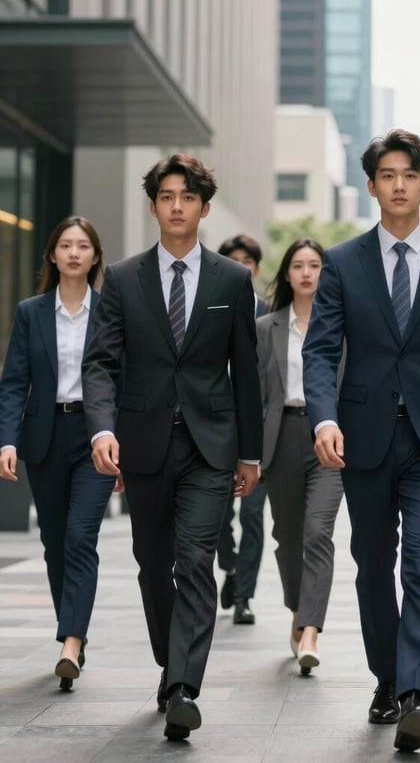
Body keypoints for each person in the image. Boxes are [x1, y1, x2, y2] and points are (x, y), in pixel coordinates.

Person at [302, 129, 420, 753]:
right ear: (373, 184)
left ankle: (415, 694)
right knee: (372, 566)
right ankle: (387, 674)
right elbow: (321, 350)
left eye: (410, 174)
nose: (400, 184)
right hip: (363, 438)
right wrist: (323, 418)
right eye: (388, 174)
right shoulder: (342, 261)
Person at [81, 154, 263, 742]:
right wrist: (103, 429)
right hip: (143, 442)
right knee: (152, 565)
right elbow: (102, 362)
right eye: (166, 196)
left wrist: (250, 454)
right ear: (154, 205)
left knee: (195, 560)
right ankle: (171, 657)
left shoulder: (232, 281)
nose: (177, 205)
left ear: (204, 208)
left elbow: (246, 372)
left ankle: (185, 686)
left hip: (211, 446)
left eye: (188, 196)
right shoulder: (125, 278)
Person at [0, 216, 117, 692]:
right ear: (52, 255)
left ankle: (71, 640)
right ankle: (73, 628)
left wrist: (119, 443)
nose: (73, 253)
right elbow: (13, 383)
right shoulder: (31, 312)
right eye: (65, 245)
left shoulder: (111, 311)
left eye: (82, 245)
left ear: (94, 256)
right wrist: (6, 440)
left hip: (94, 437)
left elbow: (122, 381)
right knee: (53, 542)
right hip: (45, 434)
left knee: (79, 535)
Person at [258, 237, 344, 674]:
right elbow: (256, 395)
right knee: (288, 537)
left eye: (315, 265)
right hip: (281, 438)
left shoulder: (341, 326)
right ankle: (298, 607)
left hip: (328, 438)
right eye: (298, 266)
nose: (307, 273)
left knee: (318, 532)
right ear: (287, 274)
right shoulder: (266, 328)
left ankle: (310, 629)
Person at [216, 234, 268, 624]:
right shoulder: (210, 306)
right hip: (214, 427)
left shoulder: (268, 313)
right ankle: (230, 568)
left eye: (247, 260)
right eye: (234, 260)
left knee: (253, 514)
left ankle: (245, 595)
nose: (242, 266)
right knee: (217, 515)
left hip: (260, 429)